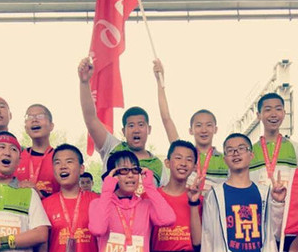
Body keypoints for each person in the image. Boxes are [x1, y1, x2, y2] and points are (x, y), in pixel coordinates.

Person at [200, 133, 287, 252]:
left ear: (251, 155)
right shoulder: (215, 195)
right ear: (225, 158)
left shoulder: (265, 193)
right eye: (230, 150)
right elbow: (207, 238)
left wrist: (278, 203)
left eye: (241, 148)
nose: (236, 153)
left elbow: (277, 233)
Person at [89, 150, 176, 252]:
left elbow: (168, 219)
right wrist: (107, 191)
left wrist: (150, 187)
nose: (130, 175)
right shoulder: (99, 204)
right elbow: (98, 229)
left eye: (135, 170)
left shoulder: (146, 205)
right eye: (123, 170)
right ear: (112, 175)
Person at [78, 57, 165, 185]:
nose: (136, 130)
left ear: (149, 129)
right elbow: (90, 119)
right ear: (123, 131)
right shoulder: (112, 147)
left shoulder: (157, 165)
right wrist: (84, 83)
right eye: (131, 125)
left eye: (141, 125)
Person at [153, 59, 228, 193]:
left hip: (214, 207)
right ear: (191, 130)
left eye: (208, 125)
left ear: (215, 129)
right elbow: (166, 119)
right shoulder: (183, 152)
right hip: (187, 205)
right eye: (198, 125)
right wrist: (160, 81)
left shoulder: (226, 159)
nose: (203, 130)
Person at [41, 144, 99, 252]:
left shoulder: (96, 201)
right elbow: (42, 249)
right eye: (57, 162)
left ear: (81, 169)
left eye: (69, 161)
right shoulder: (45, 205)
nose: (63, 166)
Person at [152, 140, 203, 252]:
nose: (183, 163)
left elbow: (198, 242)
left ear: (194, 167)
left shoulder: (199, 199)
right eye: (178, 158)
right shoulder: (150, 197)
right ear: (167, 162)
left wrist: (194, 203)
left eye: (189, 159)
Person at [251, 93, 298, 185]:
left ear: (284, 113)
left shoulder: (296, 148)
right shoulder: (250, 151)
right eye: (268, 110)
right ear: (258, 115)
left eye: (278, 109)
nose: (274, 114)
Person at [17, 104, 59, 198]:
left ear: (51, 126)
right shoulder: (16, 157)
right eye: (29, 117)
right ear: (25, 128)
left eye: (40, 116)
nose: (34, 120)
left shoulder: (59, 158)